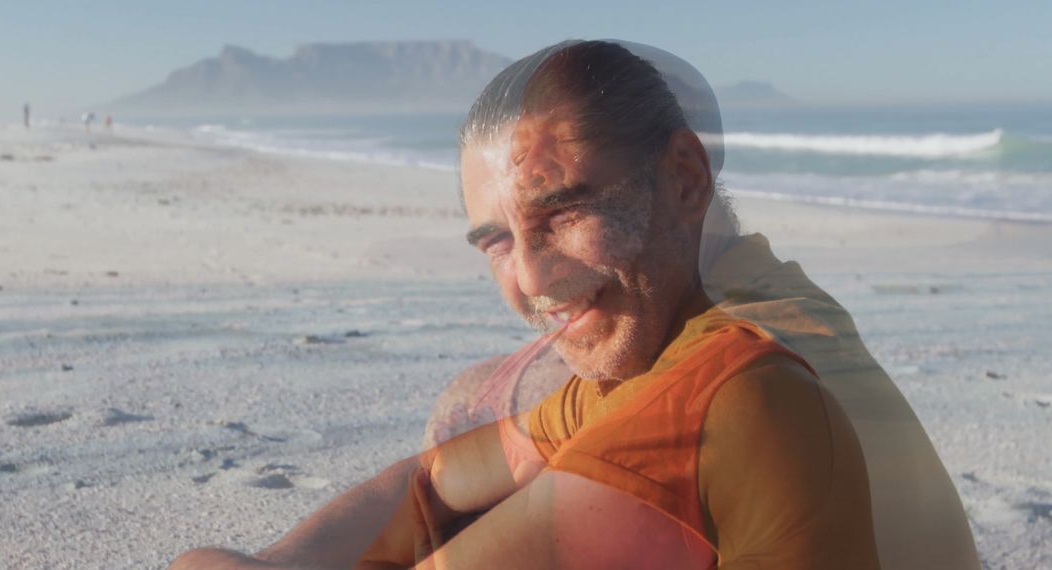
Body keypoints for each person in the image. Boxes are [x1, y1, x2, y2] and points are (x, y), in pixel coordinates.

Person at [170, 40, 976, 569]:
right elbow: (435, 477)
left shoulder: (725, 393)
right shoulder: (751, 318)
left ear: (687, 179)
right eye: (494, 240)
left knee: (473, 402)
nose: (530, 278)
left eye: (563, 211)